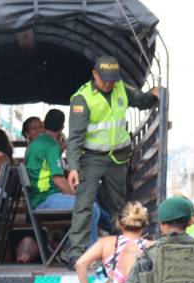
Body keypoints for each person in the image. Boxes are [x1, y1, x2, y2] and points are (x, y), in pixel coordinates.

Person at [65, 55, 160, 269]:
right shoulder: (82, 98)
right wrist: (73, 167)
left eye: (112, 79)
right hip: (91, 158)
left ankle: (122, 251)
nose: (109, 84)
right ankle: (77, 254)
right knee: (84, 204)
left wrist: (153, 95)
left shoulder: (121, 89)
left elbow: (141, 101)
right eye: (105, 79)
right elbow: (75, 137)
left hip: (117, 158)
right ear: (95, 75)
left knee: (119, 206)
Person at [26, 109, 101, 247]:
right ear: (62, 128)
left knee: (91, 203)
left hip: (39, 198)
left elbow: (45, 164)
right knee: (91, 208)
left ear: (44, 124)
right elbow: (58, 180)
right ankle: (84, 251)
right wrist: (75, 195)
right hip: (46, 200)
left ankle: (72, 247)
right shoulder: (51, 145)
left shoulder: (34, 145)